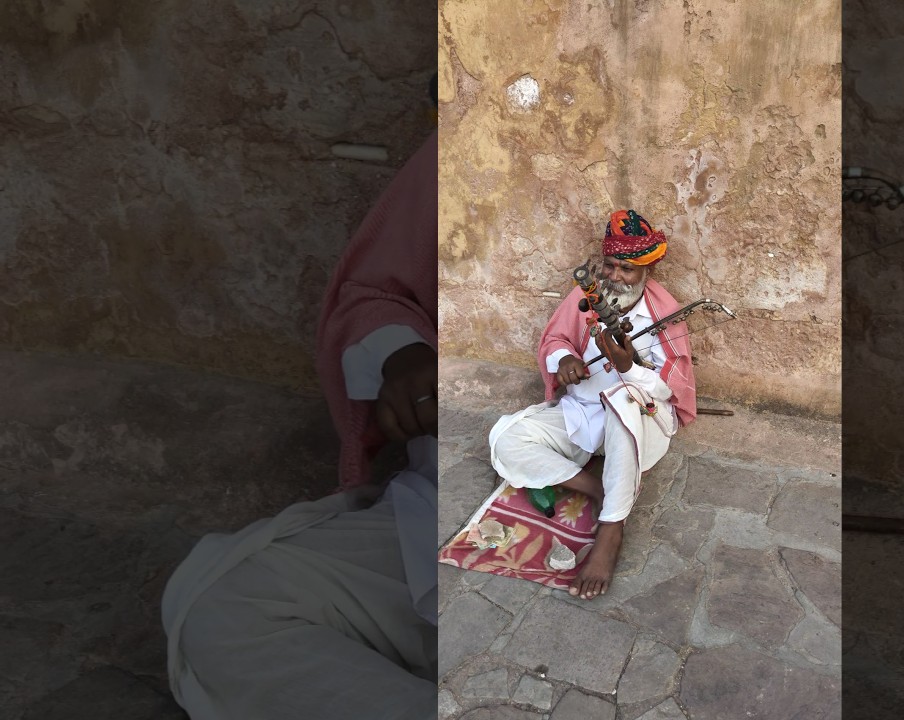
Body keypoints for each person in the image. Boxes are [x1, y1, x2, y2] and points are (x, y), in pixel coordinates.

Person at [161, 133, 439, 720]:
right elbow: (374, 293)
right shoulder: (470, 145)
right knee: (226, 605)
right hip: (453, 513)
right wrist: (403, 354)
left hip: (618, 514)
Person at [488, 209, 697, 600]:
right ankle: (599, 488)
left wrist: (629, 368)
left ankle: (611, 528)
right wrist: (564, 359)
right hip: (582, 413)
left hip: (638, 421)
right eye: (610, 265)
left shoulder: (664, 313)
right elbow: (555, 340)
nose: (616, 275)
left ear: (647, 270)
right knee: (506, 438)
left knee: (622, 400)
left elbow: (671, 388)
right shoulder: (586, 296)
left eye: (628, 269)